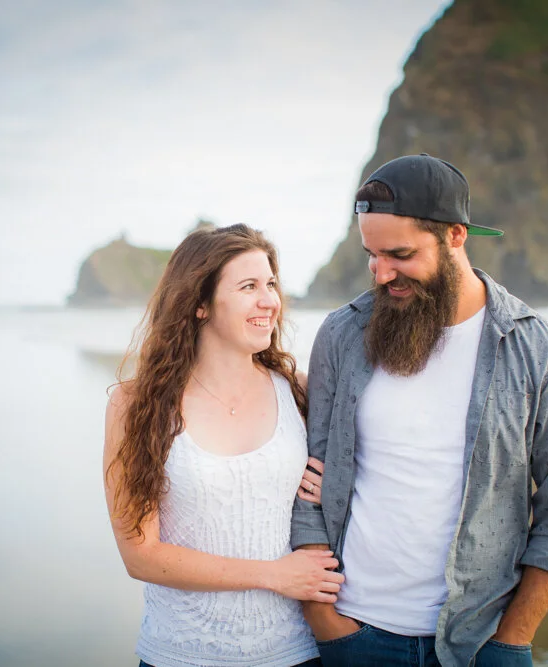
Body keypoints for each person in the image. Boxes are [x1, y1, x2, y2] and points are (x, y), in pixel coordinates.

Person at [291, 154, 548, 667]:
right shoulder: (341, 335)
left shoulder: (540, 349)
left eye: (400, 254)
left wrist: (512, 642)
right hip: (354, 634)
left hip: (479, 644)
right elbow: (311, 485)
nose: (382, 274)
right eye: (371, 255)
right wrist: (328, 625)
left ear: (455, 235)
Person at [104, 224, 343, 667]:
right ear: (199, 304)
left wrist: (339, 483)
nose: (269, 300)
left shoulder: (299, 394)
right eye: (249, 286)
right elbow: (141, 555)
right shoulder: (136, 404)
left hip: (295, 654)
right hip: (179, 655)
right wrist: (274, 576)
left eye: (271, 284)